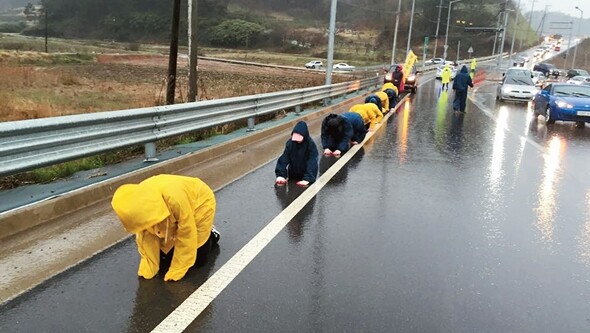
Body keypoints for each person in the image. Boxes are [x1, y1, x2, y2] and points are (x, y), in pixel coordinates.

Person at [111, 174, 219, 282]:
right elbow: (145, 234)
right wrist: (149, 266)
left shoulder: (175, 199)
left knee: (197, 261)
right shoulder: (138, 201)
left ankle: (211, 235)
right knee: (165, 260)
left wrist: (178, 268)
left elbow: (186, 232)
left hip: (199, 202)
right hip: (169, 200)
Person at [275, 121, 319, 187]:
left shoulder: (310, 144)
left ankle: (307, 177)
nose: (297, 141)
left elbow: (312, 162)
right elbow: (284, 158)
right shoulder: (291, 143)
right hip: (293, 174)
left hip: (305, 173)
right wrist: (281, 175)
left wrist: (308, 178)